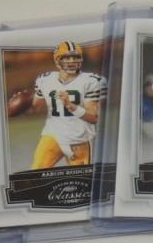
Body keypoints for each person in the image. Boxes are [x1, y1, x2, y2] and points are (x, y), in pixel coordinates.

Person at [19, 41, 106, 169]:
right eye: (67, 57)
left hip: (79, 140)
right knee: (35, 173)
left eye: (75, 57)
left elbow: (93, 118)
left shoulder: (91, 81)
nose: (72, 61)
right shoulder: (44, 79)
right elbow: (36, 108)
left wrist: (70, 105)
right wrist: (18, 107)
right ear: (57, 60)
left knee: (82, 178)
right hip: (52, 136)